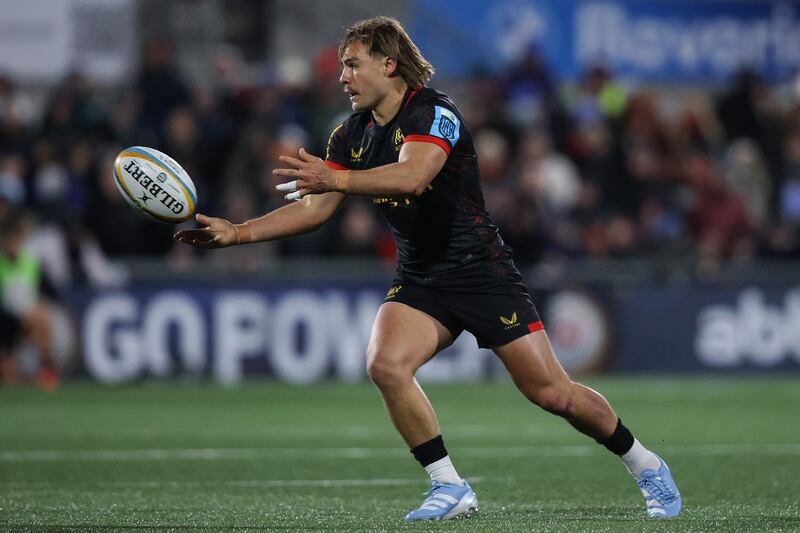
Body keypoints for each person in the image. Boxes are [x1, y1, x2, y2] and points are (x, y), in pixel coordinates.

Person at [175, 16, 681, 521]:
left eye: (353, 64)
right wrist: (238, 232)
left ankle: (646, 464)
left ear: (388, 64)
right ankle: (449, 485)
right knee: (385, 364)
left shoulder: (435, 111)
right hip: (420, 276)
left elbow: (414, 176)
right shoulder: (350, 135)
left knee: (553, 394)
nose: (343, 77)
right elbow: (314, 210)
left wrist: (336, 179)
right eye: (343, 67)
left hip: (481, 273)